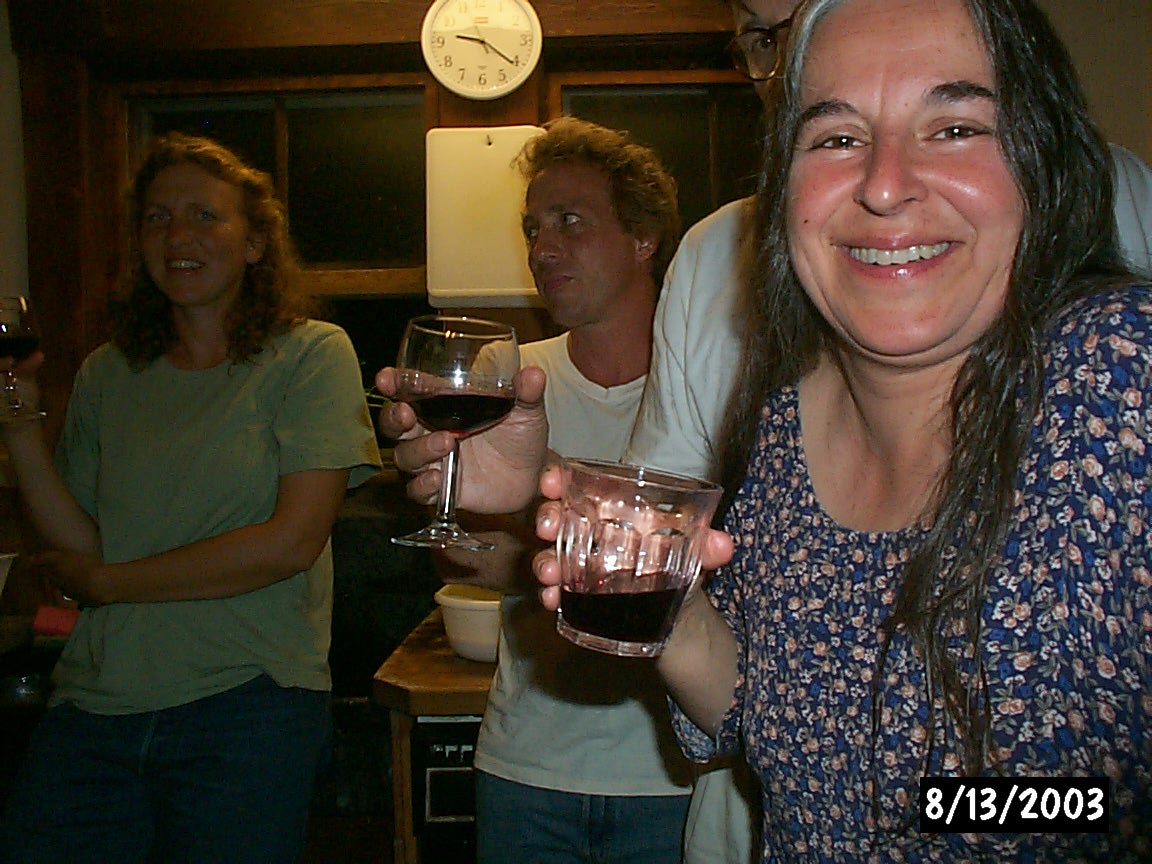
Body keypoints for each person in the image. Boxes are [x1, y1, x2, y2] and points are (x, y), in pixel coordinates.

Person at [380, 0, 1152, 859]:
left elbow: (1104, 806)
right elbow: (761, 718)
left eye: (956, 128)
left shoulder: (1121, 378)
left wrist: (928, 811)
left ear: (1044, 159)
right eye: (837, 138)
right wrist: (567, 518)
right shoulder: (785, 418)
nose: (884, 183)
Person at [0, 133, 382, 863]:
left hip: (248, 706)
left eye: (206, 215)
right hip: (93, 705)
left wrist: (109, 584)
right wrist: (18, 429)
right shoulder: (108, 374)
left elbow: (290, 543)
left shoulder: (310, 353)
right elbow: (81, 544)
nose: (179, 236)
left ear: (255, 243)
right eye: (158, 217)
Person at [384, 116, 690, 863]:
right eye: (533, 228)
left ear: (644, 238)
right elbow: (460, 559)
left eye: (570, 222)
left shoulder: (708, 381)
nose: (542, 248)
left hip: (672, 778)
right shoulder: (510, 376)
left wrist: (528, 548)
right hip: (524, 769)